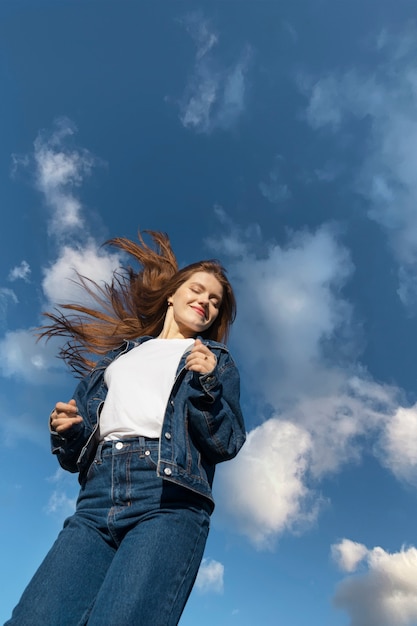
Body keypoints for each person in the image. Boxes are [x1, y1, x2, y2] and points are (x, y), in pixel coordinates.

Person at [6, 230, 246, 626]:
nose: (205, 301)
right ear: (172, 294)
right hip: (97, 499)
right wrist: (67, 431)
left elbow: (225, 441)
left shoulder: (212, 359)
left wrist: (208, 387)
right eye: (198, 290)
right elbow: (77, 453)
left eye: (215, 301)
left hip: (167, 498)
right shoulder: (117, 359)